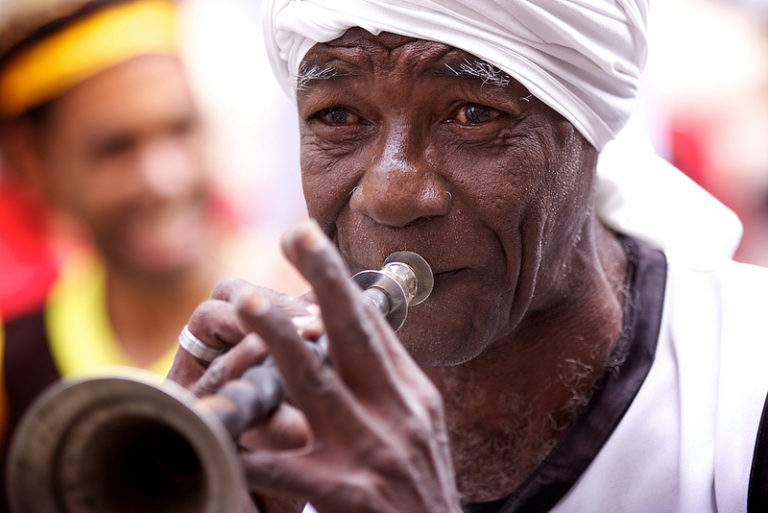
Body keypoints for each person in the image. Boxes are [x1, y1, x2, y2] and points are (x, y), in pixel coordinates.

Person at [167, 1, 766, 512]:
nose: (391, 194)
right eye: (338, 116)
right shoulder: (282, 429)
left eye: (472, 115)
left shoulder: (745, 392)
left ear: (587, 125)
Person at [0, 0, 306, 506]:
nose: (167, 178)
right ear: (32, 162)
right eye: (115, 148)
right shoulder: (13, 359)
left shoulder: (304, 320)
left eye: (180, 128)